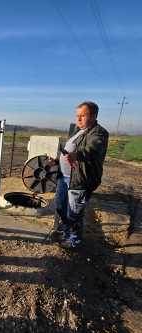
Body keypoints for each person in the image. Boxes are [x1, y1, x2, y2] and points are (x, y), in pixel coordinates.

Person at [51, 101, 109, 249]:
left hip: (79, 180)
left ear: (94, 116)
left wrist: (76, 155)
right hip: (64, 177)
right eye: (77, 116)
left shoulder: (99, 133)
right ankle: (66, 231)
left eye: (82, 116)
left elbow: (92, 148)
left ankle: (74, 240)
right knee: (60, 206)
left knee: (75, 212)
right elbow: (68, 150)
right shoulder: (79, 130)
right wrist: (58, 160)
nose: (78, 119)